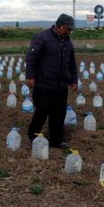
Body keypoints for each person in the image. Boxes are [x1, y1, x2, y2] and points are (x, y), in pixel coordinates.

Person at [26, 13, 78, 148]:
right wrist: (30, 76)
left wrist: (73, 80)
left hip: (61, 84)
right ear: (60, 26)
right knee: (42, 111)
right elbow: (31, 58)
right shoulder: (42, 37)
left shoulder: (67, 41)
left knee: (59, 113)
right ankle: (33, 136)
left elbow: (71, 62)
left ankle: (56, 141)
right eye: (68, 29)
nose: (69, 32)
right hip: (44, 83)